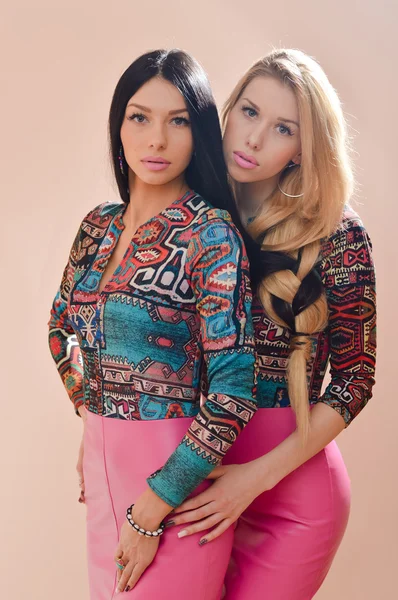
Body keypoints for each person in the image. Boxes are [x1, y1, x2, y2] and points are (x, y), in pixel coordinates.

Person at [48, 49, 258, 599]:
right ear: (119, 126)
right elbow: (60, 329)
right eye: (139, 117)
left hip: (175, 487)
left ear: (199, 132)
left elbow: (234, 391)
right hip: (101, 471)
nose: (156, 140)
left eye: (178, 121)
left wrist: (150, 512)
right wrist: (90, 407)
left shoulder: (210, 234)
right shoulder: (97, 225)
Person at [167, 49, 377, 600]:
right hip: (198, 470)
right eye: (250, 112)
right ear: (228, 109)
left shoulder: (339, 235)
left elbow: (356, 379)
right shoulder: (190, 215)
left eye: (282, 127)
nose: (254, 138)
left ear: (302, 149)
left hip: (293, 494)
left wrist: (254, 479)